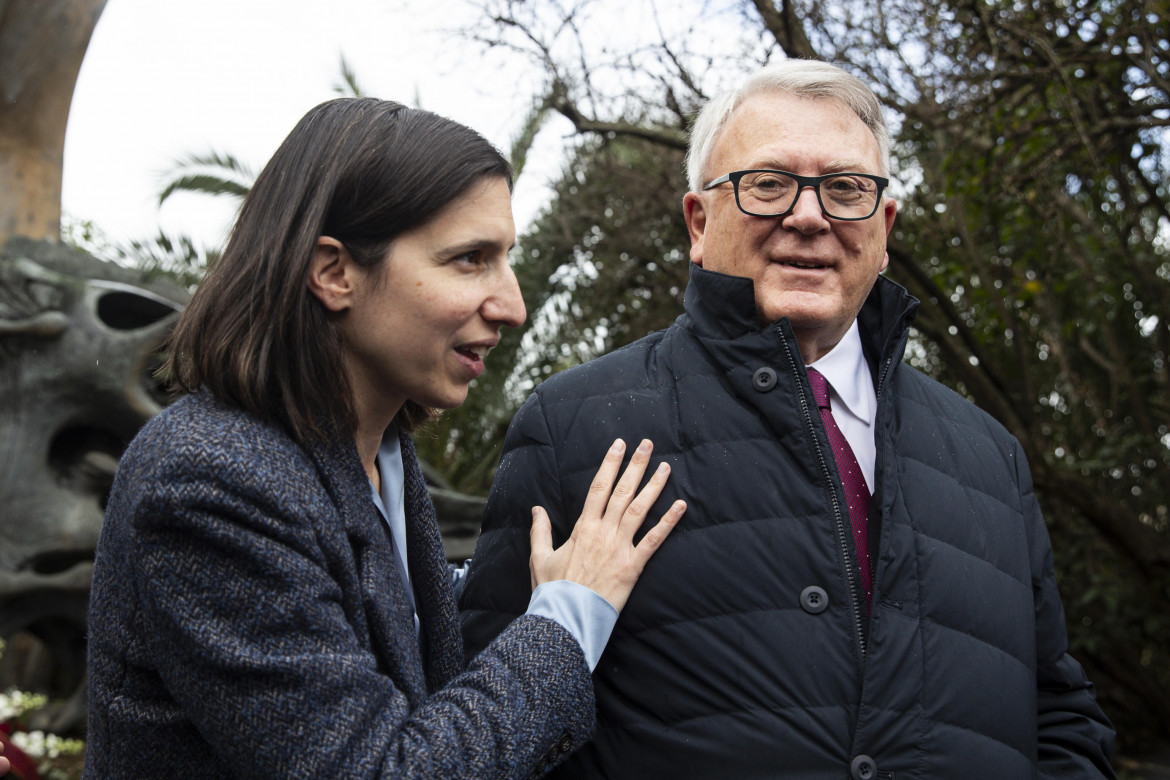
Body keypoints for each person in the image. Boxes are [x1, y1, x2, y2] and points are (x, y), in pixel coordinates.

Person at [459, 60, 1117, 778]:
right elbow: (488, 733)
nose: (810, 216)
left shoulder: (992, 459)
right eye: (769, 184)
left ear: (883, 226)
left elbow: (1061, 718)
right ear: (699, 222)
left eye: (846, 189)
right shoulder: (573, 428)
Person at [83, 98, 685, 778]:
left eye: (506, 259)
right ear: (335, 272)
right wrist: (572, 614)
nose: (512, 306)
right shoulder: (209, 482)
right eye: (470, 259)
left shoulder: (381, 460)